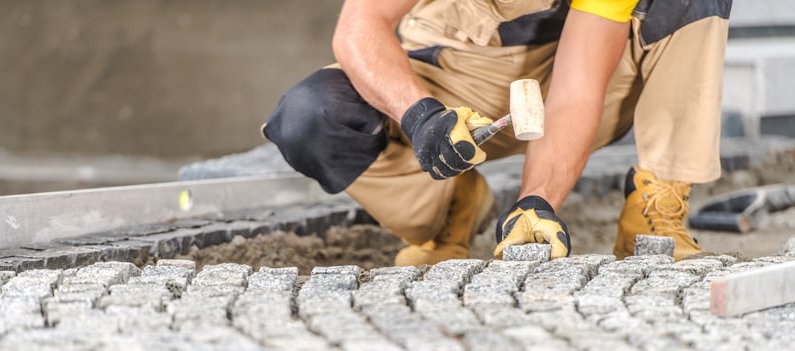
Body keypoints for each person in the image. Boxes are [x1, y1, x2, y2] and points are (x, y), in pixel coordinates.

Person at [263, 0, 732, 265]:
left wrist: (537, 202)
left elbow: (575, 92)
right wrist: (420, 116)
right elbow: (358, 27)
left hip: (572, 80)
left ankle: (652, 214)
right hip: (452, 74)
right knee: (311, 116)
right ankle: (449, 210)